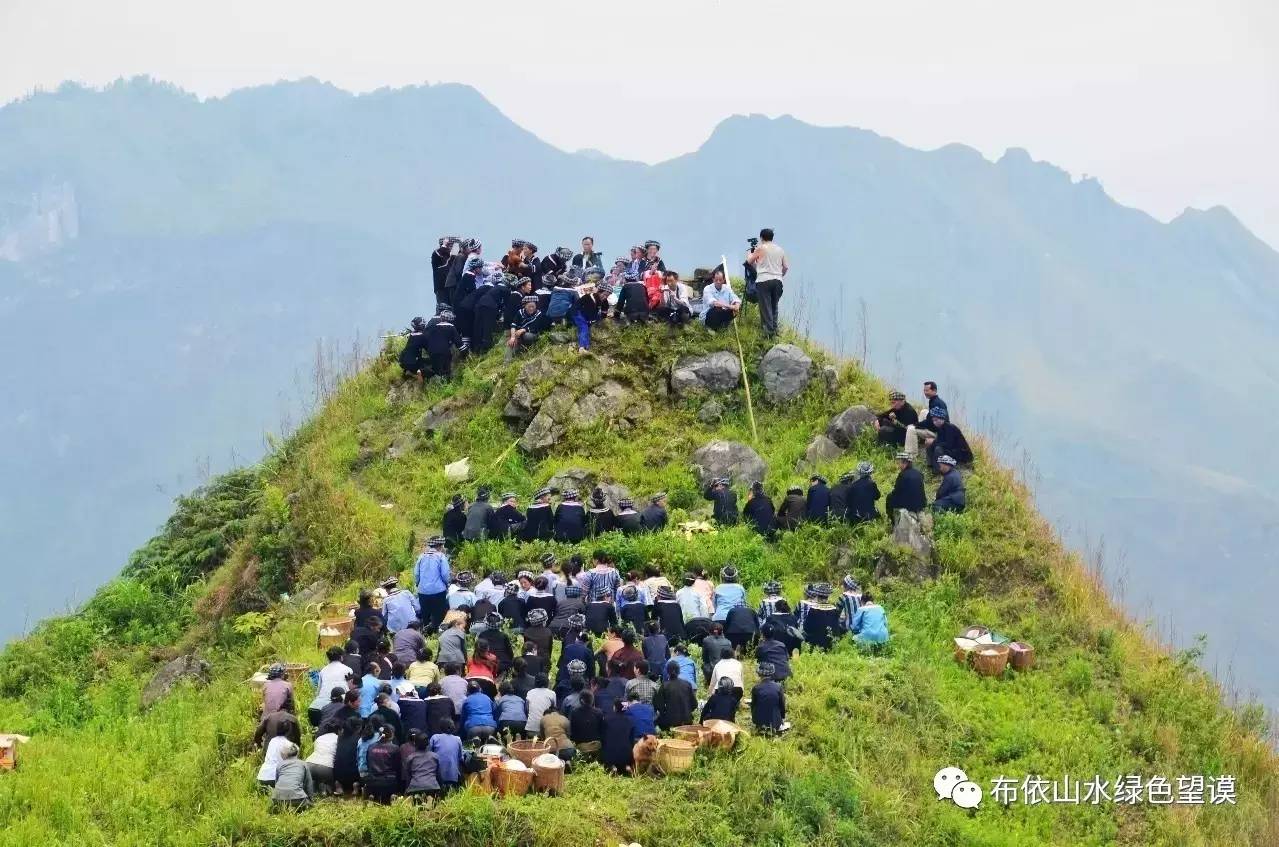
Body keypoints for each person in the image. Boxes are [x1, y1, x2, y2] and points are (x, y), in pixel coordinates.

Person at [746, 228, 788, 337]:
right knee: (774, 305)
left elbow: (750, 261)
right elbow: (786, 267)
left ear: (761, 237)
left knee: (765, 306)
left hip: (764, 280)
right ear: (772, 237)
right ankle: (774, 330)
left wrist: (749, 253)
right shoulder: (780, 249)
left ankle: (768, 333)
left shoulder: (761, 248)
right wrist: (780, 275)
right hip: (778, 280)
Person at [414, 537, 454, 628]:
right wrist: (447, 584)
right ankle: (437, 631)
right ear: (440, 546)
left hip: (423, 591)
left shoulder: (421, 556)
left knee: (425, 613)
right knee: (439, 613)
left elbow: (416, 574)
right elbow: (445, 574)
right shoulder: (440, 556)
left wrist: (418, 583)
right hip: (438, 591)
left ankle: (426, 631)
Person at [309, 647, 353, 727]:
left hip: (315, 707)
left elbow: (318, 691)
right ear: (341, 657)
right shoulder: (348, 670)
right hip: (332, 709)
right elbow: (350, 691)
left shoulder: (323, 670)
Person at [921, 407, 974, 471]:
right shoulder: (940, 428)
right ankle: (930, 466)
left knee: (938, 449)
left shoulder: (950, 428)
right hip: (951, 449)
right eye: (933, 420)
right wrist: (933, 443)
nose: (934, 422)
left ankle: (938, 470)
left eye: (936, 420)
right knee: (930, 446)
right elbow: (940, 441)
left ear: (942, 419)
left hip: (961, 453)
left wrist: (935, 443)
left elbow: (949, 445)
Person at [903, 380, 948, 456]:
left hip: (938, 433)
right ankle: (919, 439)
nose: (925, 392)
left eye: (927, 390)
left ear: (934, 391)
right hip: (938, 428)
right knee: (924, 411)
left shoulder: (935, 403)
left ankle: (911, 455)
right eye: (924, 390)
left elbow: (930, 422)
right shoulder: (936, 401)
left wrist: (915, 425)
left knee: (911, 429)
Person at [363, 725, 402, 804]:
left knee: (377, 797)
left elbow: (368, 764)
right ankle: (391, 796)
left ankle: (372, 796)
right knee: (386, 800)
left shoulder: (371, 747)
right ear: (391, 735)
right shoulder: (395, 748)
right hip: (389, 783)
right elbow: (398, 767)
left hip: (372, 782)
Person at [423, 308, 466, 379]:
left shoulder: (433, 327)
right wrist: (466, 352)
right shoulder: (451, 327)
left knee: (436, 370)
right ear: (451, 319)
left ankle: (424, 374)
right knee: (446, 371)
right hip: (444, 351)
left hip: (431, 351)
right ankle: (446, 383)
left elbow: (426, 338)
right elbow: (458, 343)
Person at [270, 742, 314, 810]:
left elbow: (277, 782)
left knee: (282, 806)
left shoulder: (280, 765)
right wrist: (311, 799)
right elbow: (309, 784)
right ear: (297, 752)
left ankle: (281, 807)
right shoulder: (303, 764)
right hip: (297, 798)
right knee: (308, 805)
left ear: (284, 754)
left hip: (277, 798)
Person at [506, 295, 550, 361]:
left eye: (533, 306)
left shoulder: (539, 314)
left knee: (527, 336)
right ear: (525, 306)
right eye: (529, 306)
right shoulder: (520, 312)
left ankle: (527, 350)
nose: (531, 308)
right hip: (519, 333)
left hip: (532, 334)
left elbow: (535, 327)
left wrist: (523, 330)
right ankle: (507, 361)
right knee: (511, 341)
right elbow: (513, 325)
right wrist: (512, 337)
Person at [400, 732, 440, 802]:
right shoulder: (435, 756)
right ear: (428, 744)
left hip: (415, 788)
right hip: (433, 787)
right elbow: (438, 775)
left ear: (415, 744)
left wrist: (407, 789)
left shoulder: (410, 758)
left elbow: (408, 776)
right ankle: (429, 799)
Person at [256, 722, 297, 790]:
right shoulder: (288, 744)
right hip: (276, 779)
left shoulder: (272, 741)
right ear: (288, 731)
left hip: (262, 777)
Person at [800, 583, 841, 650]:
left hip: (816, 645)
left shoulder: (814, 609)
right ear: (828, 596)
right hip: (831, 644)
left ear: (817, 595)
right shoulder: (834, 609)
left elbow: (806, 628)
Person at [885, 452, 927, 516]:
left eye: (899, 463)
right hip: (921, 503)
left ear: (905, 463)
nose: (898, 465)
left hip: (909, 505)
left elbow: (897, 491)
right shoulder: (919, 473)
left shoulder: (902, 475)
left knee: (889, 497)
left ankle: (893, 520)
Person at [601, 700, 637, 774]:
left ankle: (612, 767)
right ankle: (627, 766)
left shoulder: (607, 719)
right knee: (624, 753)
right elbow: (631, 741)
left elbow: (603, 736)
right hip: (626, 755)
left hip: (610, 754)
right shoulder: (630, 721)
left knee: (608, 754)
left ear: (615, 707)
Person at [750, 663, 787, 734]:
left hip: (759, 723)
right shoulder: (778, 687)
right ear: (772, 673)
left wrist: (754, 720)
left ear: (759, 674)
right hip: (775, 723)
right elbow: (782, 705)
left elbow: (753, 706)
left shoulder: (756, 688)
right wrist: (782, 718)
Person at [429, 719, 463, 794]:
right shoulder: (458, 739)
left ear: (441, 727)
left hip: (436, 776)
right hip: (453, 776)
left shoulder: (435, 737)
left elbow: (428, 755)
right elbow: (461, 758)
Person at [332, 717, 363, 795]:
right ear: (358, 727)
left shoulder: (340, 737)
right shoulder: (359, 739)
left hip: (338, 774)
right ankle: (356, 785)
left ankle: (339, 785)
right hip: (353, 774)